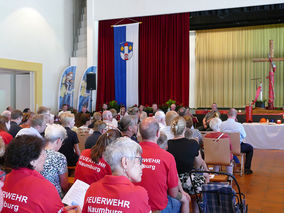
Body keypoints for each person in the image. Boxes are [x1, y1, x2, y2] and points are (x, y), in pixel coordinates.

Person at [2, 135, 80, 212]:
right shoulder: (45, 187)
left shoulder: (3, 180)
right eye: (42, 154)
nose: (45, 156)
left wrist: (60, 209)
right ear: (32, 161)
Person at [82, 137, 151, 213]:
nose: (143, 165)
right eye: (139, 160)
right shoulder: (139, 194)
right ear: (125, 162)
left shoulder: (93, 188)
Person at [135, 117, 190, 213]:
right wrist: (183, 197)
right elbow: (173, 193)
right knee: (184, 200)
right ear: (157, 133)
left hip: (134, 206)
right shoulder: (167, 157)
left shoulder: (130, 153)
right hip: (158, 209)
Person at [168, 116, 209, 212]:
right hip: (191, 181)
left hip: (173, 182)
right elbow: (198, 164)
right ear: (185, 128)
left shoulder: (167, 145)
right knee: (200, 186)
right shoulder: (193, 144)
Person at [220, 108, 254, 175]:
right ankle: (247, 169)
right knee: (250, 148)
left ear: (227, 115)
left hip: (225, 148)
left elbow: (220, 135)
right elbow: (244, 135)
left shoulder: (222, 124)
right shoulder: (239, 125)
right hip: (237, 148)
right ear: (236, 116)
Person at [41, 124, 69, 198]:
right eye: (62, 142)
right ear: (58, 140)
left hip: (38, 194)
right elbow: (64, 184)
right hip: (54, 196)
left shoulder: (37, 152)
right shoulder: (59, 157)